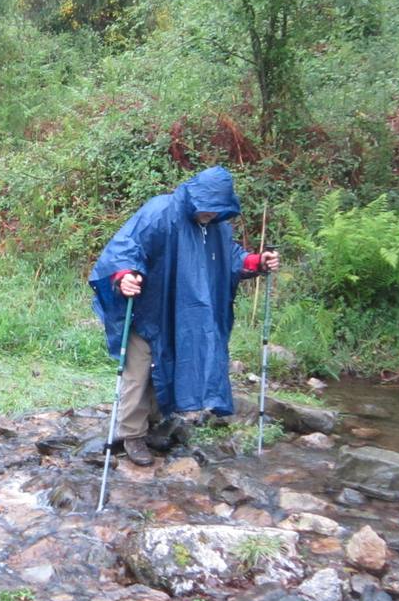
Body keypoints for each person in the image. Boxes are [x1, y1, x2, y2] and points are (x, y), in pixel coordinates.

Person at [88, 165, 280, 466]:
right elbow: (127, 247)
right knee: (138, 372)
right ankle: (131, 435)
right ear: (194, 196)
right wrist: (125, 275)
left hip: (181, 313)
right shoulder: (160, 211)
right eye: (206, 208)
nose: (209, 214)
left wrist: (257, 262)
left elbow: (230, 257)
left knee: (165, 366)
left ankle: (152, 426)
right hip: (148, 306)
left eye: (216, 210)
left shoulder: (216, 225)